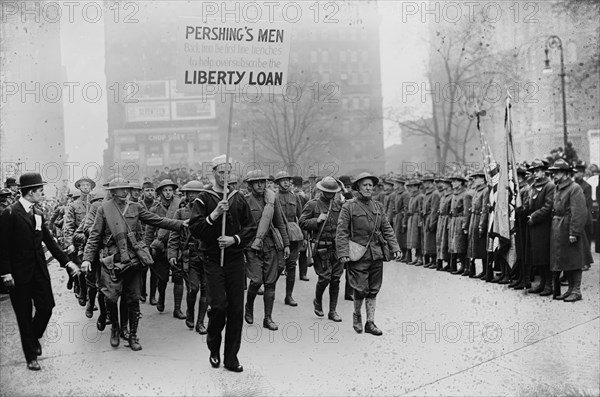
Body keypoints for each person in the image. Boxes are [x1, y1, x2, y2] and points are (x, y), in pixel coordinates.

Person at [81, 178, 186, 351]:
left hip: (133, 259)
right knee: (110, 297)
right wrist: (87, 258)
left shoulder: (136, 207)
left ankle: (131, 334)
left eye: (126, 189)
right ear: (113, 192)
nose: (125, 192)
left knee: (133, 298)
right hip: (112, 259)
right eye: (121, 189)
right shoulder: (103, 209)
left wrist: (181, 224)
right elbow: (94, 236)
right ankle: (115, 327)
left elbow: (157, 220)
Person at [0, 173, 81, 370]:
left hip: (39, 270)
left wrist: (67, 263)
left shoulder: (37, 213)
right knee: (24, 314)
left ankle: (33, 335)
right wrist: (6, 272)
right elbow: (1, 246)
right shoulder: (9, 213)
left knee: (47, 307)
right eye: (40, 191)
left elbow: (49, 241)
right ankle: (31, 356)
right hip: (18, 274)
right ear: (30, 192)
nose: (42, 194)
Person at [188, 155, 256, 373]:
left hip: (235, 259)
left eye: (228, 172)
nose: (225, 176)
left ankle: (231, 357)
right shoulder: (203, 198)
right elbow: (196, 229)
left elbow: (250, 227)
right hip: (212, 258)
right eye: (221, 172)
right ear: (213, 173)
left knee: (236, 309)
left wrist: (234, 239)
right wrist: (215, 213)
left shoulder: (238, 197)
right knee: (218, 306)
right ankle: (213, 346)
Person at [336, 172, 400, 336]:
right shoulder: (349, 206)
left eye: (371, 185)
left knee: (373, 290)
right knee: (360, 289)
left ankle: (370, 322)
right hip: (357, 254)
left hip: (376, 253)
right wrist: (343, 252)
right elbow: (342, 231)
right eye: (365, 185)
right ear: (357, 187)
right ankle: (357, 314)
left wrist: (395, 247)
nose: (368, 188)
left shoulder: (378, 206)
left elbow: (386, 228)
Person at [243, 170, 290, 330]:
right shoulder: (244, 201)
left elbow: (280, 223)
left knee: (270, 283)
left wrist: (286, 244)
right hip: (251, 246)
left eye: (262, 181)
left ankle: (267, 318)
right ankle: (248, 306)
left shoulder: (271, 200)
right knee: (256, 281)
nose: (260, 185)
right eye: (256, 182)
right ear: (249, 185)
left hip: (270, 245)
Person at [547, 159, 593, 302]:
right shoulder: (558, 187)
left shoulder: (575, 188)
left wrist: (574, 232)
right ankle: (569, 290)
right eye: (553, 172)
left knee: (575, 260)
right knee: (565, 259)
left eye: (557, 172)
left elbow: (579, 212)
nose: (554, 175)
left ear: (566, 173)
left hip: (569, 227)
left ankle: (576, 291)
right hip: (559, 228)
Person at [299, 176, 344, 322]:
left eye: (333, 191)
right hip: (321, 247)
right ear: (322, 190)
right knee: (324, 278)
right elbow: (302, 222)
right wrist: (316, 220)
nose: (331, 194)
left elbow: (350, 206)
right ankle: (317, 301)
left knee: (336, 279)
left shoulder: (338, 204)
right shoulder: (313, 205)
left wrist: (345, 189)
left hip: (336, 247)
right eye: (327, 191)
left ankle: (332, 311)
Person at [168, 181, 208, 334]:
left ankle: (200, 322)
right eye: (189, 193)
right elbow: (174, 235)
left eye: (195, 193)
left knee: (206, 290)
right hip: (189, 255)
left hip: (207, 255)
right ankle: (190, 312)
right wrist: (172, 254)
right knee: (193, 288)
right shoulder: (181, 213)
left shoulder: (209, 211)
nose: (191, 196)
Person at [144, 179, 184, 317]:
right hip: (160, 249)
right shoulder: (154, 209)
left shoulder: (179, 205)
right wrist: (147, 249)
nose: (168, 193)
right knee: (163, 279)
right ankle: (161, 298)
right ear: (160, 192)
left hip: (176, 246)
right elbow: (149, 232)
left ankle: (177, 309)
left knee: (178, 277)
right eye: (165, 190)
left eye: (170, 190)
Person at [523, 159, 555, 295]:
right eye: (533, 172)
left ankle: (549, 284)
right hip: (533, 226)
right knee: (536, 256)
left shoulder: (549, 186)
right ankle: (542, 282)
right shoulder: (533, 186)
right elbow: (528, 203)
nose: (535, 174)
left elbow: (548, 207)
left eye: (537, 171)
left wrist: (534, 216)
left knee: (544, 255)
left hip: (543, 225)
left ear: (544, 171)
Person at [63, 177, 95, 307]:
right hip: (79, 241)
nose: (86, 187)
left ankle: (91, 297)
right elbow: (68, 225)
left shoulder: (95, 204)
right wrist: (69, 243)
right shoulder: (73, 206)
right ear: (79, 187)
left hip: (93, 241)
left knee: (94, 271)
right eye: (83, 185)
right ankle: (83, 293)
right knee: (82, 270)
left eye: (88, 185)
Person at [273, 171, 304, 306]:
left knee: (292, 265)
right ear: (278, 183)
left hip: (293, 235)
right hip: (279, 235)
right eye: (282, 180)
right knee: (278, 266)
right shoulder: (273, 197)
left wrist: (304, 236)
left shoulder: (295, 197)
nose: (286, 182)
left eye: (287, 180)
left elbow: (301, 217)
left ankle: (289, 296)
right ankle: (271, 291)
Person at [466, 171, 489, 278]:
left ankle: (486, 271)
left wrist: (481, 225)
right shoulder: (476, 191)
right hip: (474, 218)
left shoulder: (486, 190)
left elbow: (485, 209)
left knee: (482, 246)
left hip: (480, 219)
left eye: (477, 178)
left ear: (483, 179)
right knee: (474, 246)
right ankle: (481, 271)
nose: (474, 180)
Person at [448, 174, 472, 275]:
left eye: (455, 181)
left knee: (462, 245)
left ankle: (466, 267)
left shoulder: (465, 194)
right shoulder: (454, 194)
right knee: (456, 245)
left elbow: (467, 211)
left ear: (460, 182)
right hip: (454, 220)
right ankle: (461, 266)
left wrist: (465, 225)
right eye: (452, 181)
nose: (452, 183)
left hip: (461, 220)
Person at [573, 161, 594, 269]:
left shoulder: (587, 186)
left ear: (582, 173)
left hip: (585, 218)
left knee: (586, 242)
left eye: (579, 172)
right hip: (578, 217)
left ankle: (587, 262)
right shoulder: (574, 185)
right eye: (575, 172)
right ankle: (582, 262)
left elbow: (586, 203)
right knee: (581, 241)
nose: (577, 174)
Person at [139, 181, 156, 303]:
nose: (150, 193)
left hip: (155, 239)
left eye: (151, 190)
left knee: (155, 269)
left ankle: (153, 296)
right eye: (147, 190)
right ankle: (142, 292)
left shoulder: (158, 205)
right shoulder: (138, 205)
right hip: (141, 240)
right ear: (143, 192)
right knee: (143, 268)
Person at [421, 173, 440, 268]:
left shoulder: (435, 193)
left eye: (425, 182)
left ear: (430, 182)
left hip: (430, 218)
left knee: (431, 240)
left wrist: (432, 222)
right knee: (428, 240)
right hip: (426, 217)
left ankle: (434, 260)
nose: (424, 184)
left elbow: (434, 209)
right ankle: (430, 260)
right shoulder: (428, 192)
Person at [435, 177, 453, 271]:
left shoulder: (451, 195)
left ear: (449, 185)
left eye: (445, 184)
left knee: (446, 242)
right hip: (441, 219)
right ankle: (441, 261)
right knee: (440, 241)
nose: (443, 185)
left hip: (447, 219)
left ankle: (449, 262)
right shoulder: (443, 195)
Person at [404, 179, 424, 265]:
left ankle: (420, 257)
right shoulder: (412, 196)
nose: (410, 188)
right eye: (409, 187)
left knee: (418, 238)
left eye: (412, 186)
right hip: (411, 219)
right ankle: (416, 256)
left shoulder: (420, 196)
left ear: (417, 187)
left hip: (416, 219)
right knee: (412, 239)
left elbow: (421, 210)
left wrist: (420, 221)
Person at [392, 176, 409, 262]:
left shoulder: (405, 194)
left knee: (403, 236)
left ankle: (406, 255)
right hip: (397, 216)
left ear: (400, 184)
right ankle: (402, 254)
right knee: (398, 236)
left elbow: (406, 207)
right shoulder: (397, 193)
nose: (394, 185)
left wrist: (404, 220)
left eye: (396, 183)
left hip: (402, 217)